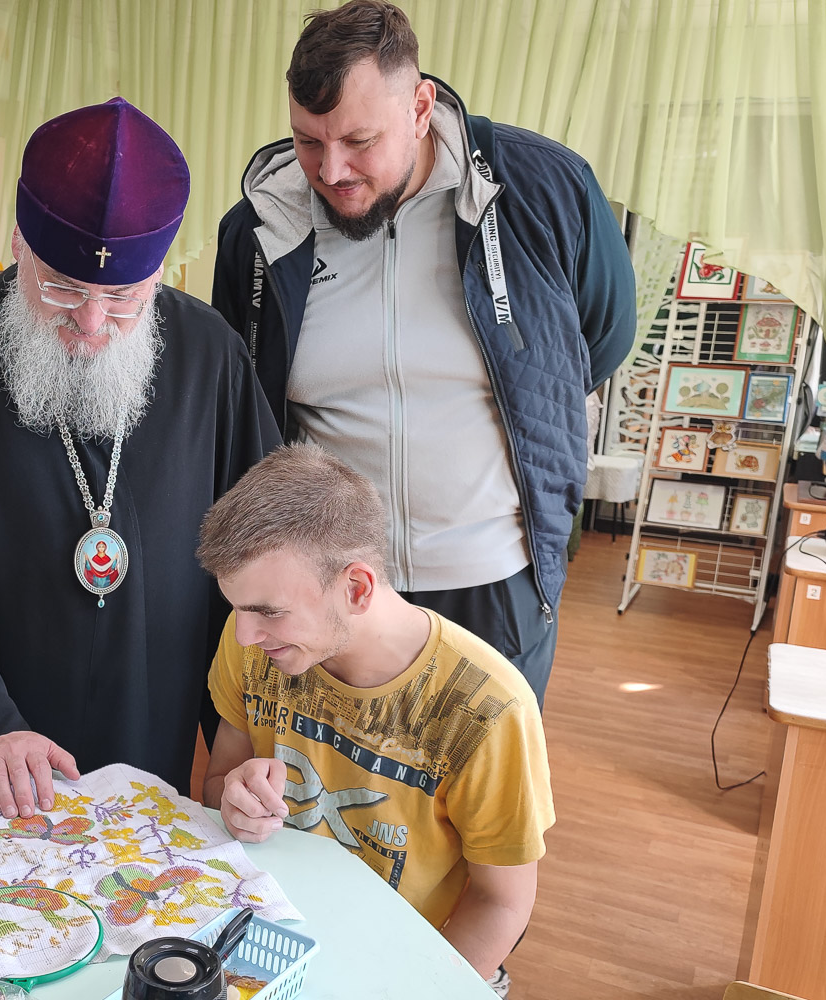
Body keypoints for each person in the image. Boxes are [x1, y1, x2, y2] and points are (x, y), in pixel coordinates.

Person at [211, 0, 635, 708]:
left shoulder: (543, 189)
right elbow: (247, 394)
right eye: (309, 141)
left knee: (478, 774)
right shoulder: (260, 230)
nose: (332, 169)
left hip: (493, 579)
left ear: (419, 106)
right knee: (332, 777)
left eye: (359, 140)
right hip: (333, 584)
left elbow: (598, 337)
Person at [0, 97, 279, 820]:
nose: (90, 323)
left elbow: (263, 552)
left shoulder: (210, 358)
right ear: (20, 244)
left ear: (159, 273)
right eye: (61, 287)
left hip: (152, 723)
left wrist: (240, 744)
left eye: (122, 296)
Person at [197, 444, 553, 997]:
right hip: (269, 942)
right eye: (237, 608)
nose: (245, 634)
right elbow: (218, 782)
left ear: (357, 588)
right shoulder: (253, 644)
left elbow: (501, 902)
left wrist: (428, 988)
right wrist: (233, 801)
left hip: (408, 963)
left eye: (269, 611)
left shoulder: (489, 708)